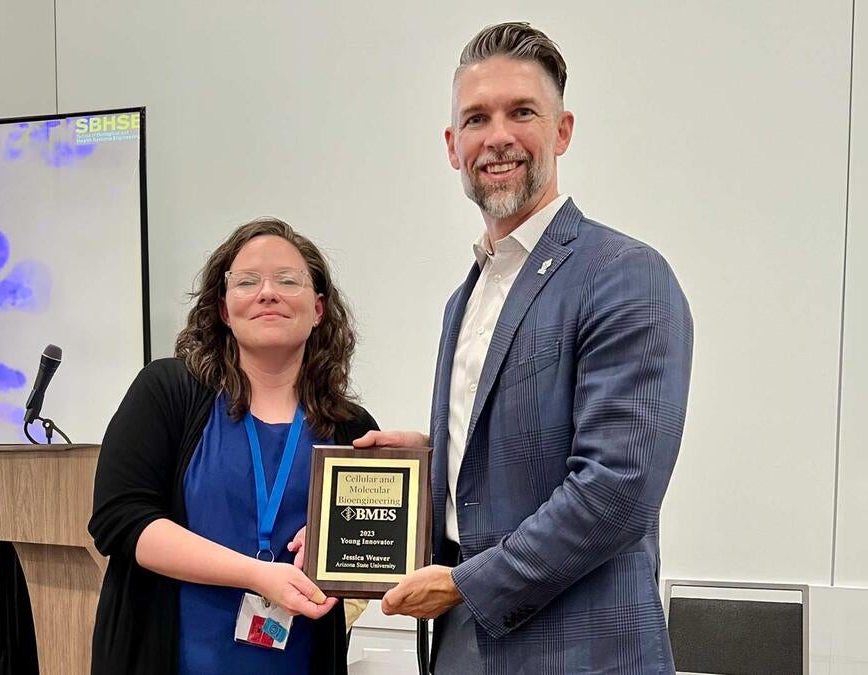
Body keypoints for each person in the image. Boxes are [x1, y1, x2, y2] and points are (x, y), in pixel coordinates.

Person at [356, 22, 694, 674]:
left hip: (583, 653)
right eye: (477, 119)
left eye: (522, 112)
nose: (498, 136)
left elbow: (615, 490)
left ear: (562, 130)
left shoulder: (625, 274)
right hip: (464, 650)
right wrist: (429, 458)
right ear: (453, 147)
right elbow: (510, 454)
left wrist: (461, 585)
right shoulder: (467, 298)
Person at [89, 217, 378, 675]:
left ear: (318, 308)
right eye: (246, 282)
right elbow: (120, 522)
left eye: (288, 280)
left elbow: (373, 555)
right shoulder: (167, 392)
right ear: (225, 309)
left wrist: (336, 545)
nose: (268, 292)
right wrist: (257, 574)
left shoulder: (351, 428)